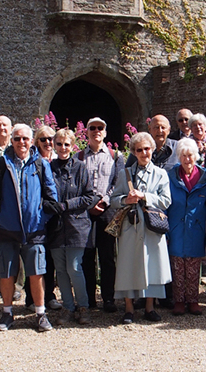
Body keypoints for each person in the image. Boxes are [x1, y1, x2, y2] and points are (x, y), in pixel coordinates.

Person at [0, 123, 58, 332]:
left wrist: (40, 218)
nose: (21, 142)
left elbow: (52, 197)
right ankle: (7, 313)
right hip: (6, 229)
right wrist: (0, 216)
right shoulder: (0, 165)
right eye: (17, 139)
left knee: (37, 273)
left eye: (25, 138)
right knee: (6, 273)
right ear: (12, 141)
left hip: (34, 230)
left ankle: (41, 313)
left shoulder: (41, 165)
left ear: (31, 141)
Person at [110, 132, 173, 324]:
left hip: (152, 227)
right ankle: (129, 308)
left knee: (152, 266)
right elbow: (113, 200)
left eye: (147, 149)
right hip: (131, 226)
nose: (144, 153)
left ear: (152, 150)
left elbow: (166, 201)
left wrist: (145, 196)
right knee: (128, 266)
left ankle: (150, 307)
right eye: (139, 150)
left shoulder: (161, 174)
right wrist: (125, 200)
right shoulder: (125, 174)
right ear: (134, 152)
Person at [46, 128, 98, 325]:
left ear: (72, 146)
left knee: (74, 267)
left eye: (66, 144)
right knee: (60, 269)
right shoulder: (48, 168)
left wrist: (67, 205)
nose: (63, 148)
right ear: (54, 145)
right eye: (59, 144)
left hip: (76, 225)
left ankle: (83, 306)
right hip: (56, 226)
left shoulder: (80, 167)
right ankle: (67, 307)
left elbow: (89, 196)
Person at [166, 138, 206, 315]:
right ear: (179, 157)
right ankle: (179, 301)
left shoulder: (205, 178)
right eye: (184, 156)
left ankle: (193, 300)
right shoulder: (171, 176)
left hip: (195, 230)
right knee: (178, 267)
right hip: (175, 228)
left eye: (190, 156)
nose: (187, 159)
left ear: (196, 156)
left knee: (194, 267)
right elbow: (165, 205)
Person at [79, 117, 122, 312]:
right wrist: (89, 204)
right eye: (92, 128)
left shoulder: (115, 156)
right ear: (87, 132)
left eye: (100, 128)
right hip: (86, 212)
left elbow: (117, 182)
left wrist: (104, 201)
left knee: (107, 256)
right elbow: (77, 185)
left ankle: (108, 298)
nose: (97, 131)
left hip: (107, 211)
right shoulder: (78, 157)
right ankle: (89, 298)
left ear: (105, 132)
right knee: (87, 256)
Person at [30, 123, 60, 310]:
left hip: (54, 214)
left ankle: (49, 295)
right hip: (37, 215)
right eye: (44, 139)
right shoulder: (32, 161)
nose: (48, 142)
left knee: (51, 257)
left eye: (51, 139)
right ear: (37, 142)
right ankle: (31, 299)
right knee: (33, 257)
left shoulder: (58, 159)